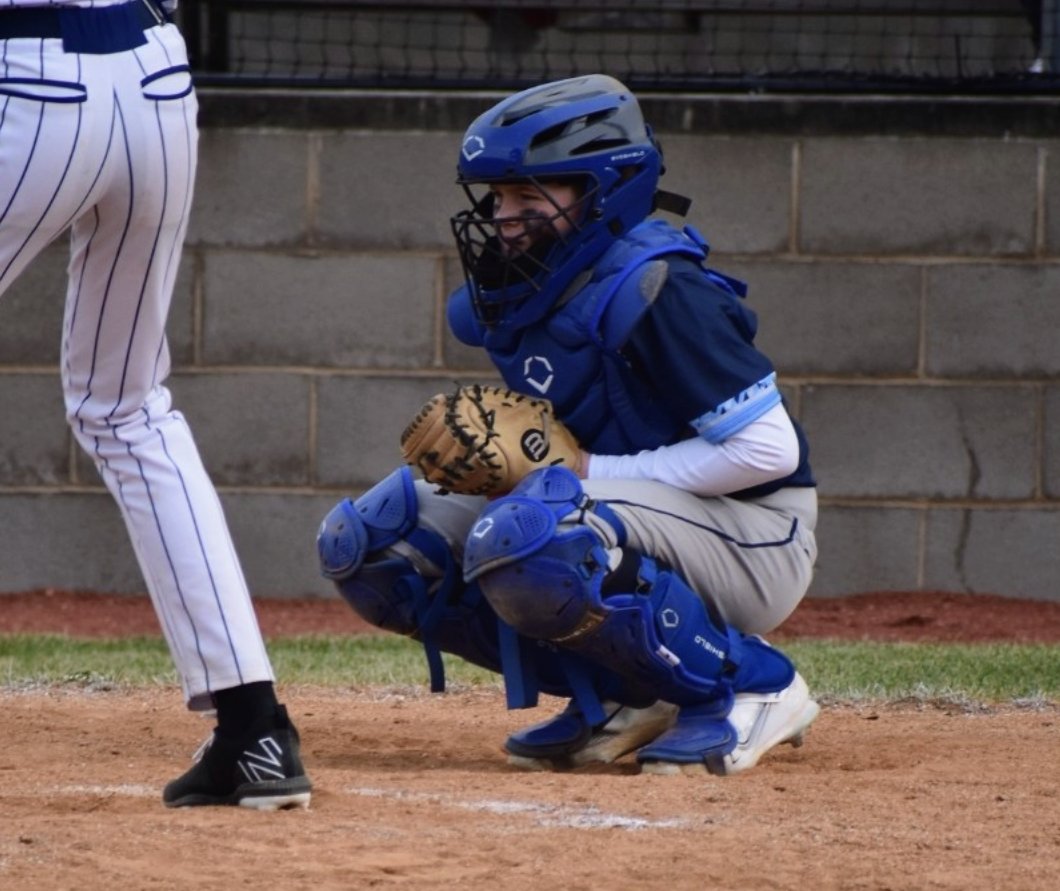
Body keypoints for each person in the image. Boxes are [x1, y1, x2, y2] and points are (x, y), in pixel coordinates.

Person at [318, 73, 820, 775]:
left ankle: (753, 683)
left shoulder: (657, 288)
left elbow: (769, 450)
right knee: (377, 543)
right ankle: (627, 692)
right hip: (636, 514)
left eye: (530, 196)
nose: (504, 217)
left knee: (537, 531)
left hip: (755, 533)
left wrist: (589, 474)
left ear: (601, 192)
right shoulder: (528, 288)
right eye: (498, 198)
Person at [0, 0, 310, 808]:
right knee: (126, 410)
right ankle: (256, 731)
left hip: (27, 78)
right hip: (156, 80)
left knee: (123, 410)